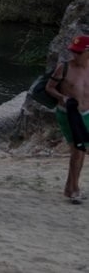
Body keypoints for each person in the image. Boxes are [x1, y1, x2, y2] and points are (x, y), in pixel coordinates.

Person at [46, 34, 89, 204]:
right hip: (68, 114)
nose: (75, 56)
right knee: (77, 151)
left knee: (82, 150)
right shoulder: (63, 68)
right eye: (74, 52)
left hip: (86, 114)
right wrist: (62, 97)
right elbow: (49, 87)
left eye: (79, 53)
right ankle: (74, 189)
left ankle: (69, 187)